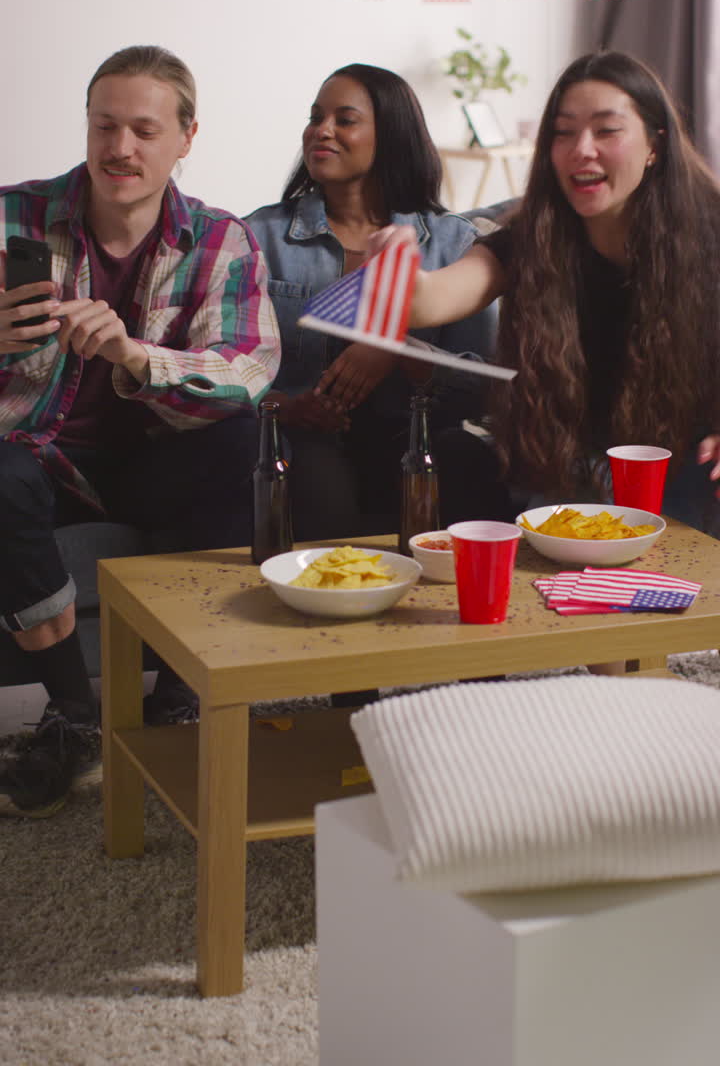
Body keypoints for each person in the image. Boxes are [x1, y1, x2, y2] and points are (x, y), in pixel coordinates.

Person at [0, 44, 280, 817]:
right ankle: (71, 717)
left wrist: (136, 355)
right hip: (33, 455)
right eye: (105, 126)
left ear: (186, 138)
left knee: (238, 441)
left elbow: (249, 370)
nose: (120, 149)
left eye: (145, 131)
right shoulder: (10, 216)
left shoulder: (222, 239)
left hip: (158, 458)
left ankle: (181, 695)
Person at [370, 51, 720, 667]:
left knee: (652, 544)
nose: (581, 149)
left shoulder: (710, 228)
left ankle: (634, 674)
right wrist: (396, 261)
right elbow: (434, 298)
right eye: (563, 131)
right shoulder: (532, 232)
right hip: (571, 449)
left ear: (654, 145)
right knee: (467, 457)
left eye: (606, 130)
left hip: (682, 449)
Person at [245, 62, 510, 542]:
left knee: (468, 461)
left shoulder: (453, 242)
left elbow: (485, 385)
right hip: (301, 438)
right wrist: (287, 406)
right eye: (315, 117)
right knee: (314, 473)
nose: (321, 131)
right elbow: (227, 368)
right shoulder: (257, 238)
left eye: (344, 120)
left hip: (418, 436)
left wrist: (398, 350)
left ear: (390, 135)